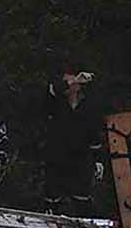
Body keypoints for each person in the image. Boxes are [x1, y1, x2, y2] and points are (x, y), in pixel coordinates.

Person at [41, 67, 105, 215]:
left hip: (81, 159)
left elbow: (95, 134)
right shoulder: (55, 102)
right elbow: (53, 90)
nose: (68, 85)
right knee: (52, 200)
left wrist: (98, 160)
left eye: (71, 82)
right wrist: (74, 79)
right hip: (57, 157)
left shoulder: (88, 105)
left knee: (82, 200)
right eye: (67, 82)